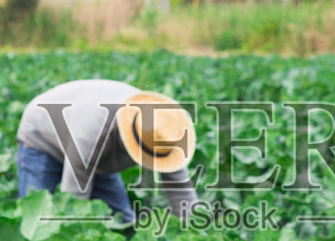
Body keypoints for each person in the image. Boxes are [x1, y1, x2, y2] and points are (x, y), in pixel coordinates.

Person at [16, 80, 200, 223]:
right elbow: (74, 201)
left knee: (124, 223)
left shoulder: (163, 131)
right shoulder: (91, 136)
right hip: (42, 134)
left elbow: (182, 190)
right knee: (36, 220)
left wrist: (193, 234)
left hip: (95, 150)